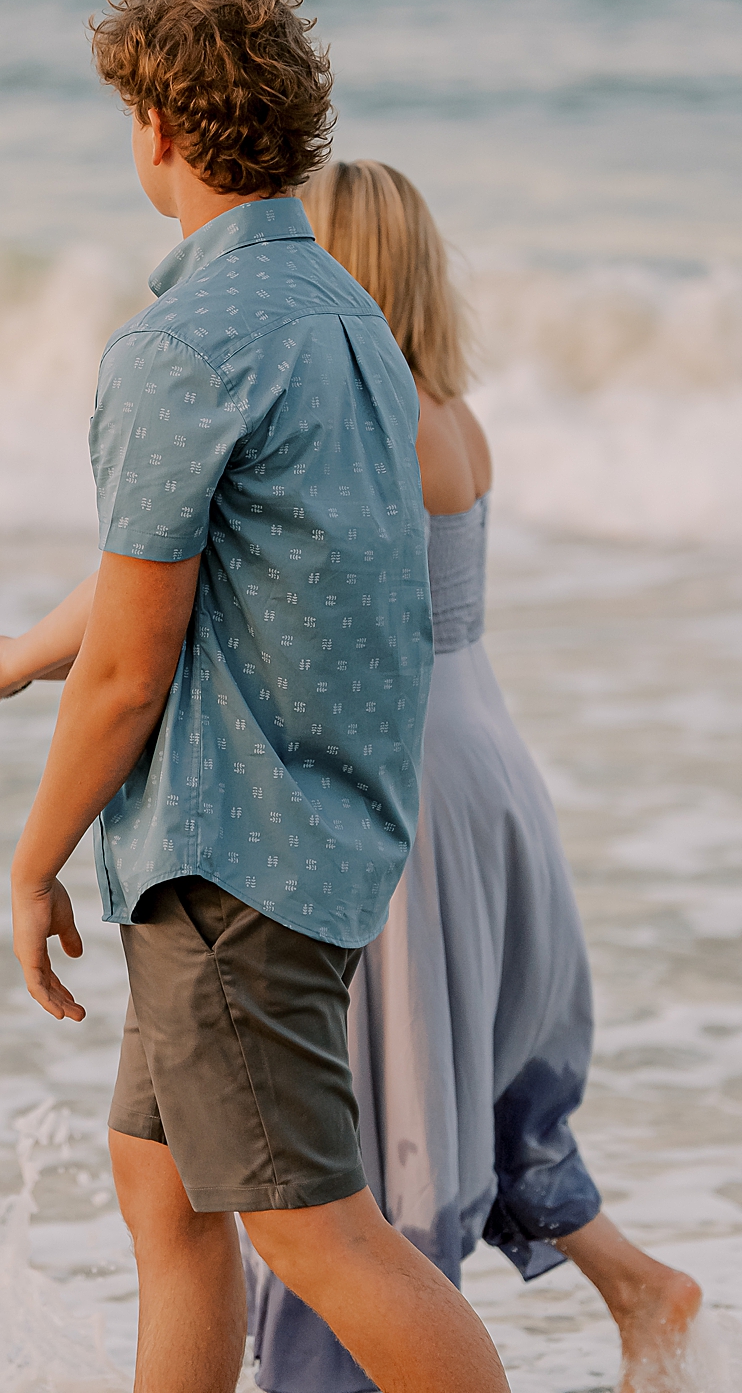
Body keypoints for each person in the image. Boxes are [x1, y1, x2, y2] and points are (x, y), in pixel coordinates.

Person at [0, 0, 511, 1391]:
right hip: (320, 840)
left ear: (159, 132)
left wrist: (32, 856)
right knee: (159, 1183)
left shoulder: (181, 342)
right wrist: (18, 662)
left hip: (229, 862)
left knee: (316, 1235)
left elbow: (130, 664)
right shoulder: (355, 328)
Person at [234, 161, 700, 1393]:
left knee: (383, 1120)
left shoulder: (370, 425)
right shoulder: (454, 414)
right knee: (466, 1087)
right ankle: (638, 1287)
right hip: (484, 752)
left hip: (410, 781)